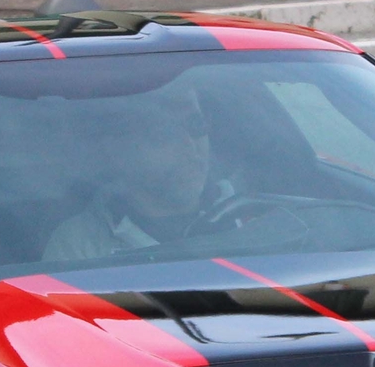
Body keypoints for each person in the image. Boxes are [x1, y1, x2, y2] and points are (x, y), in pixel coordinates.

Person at [43, 84, 242, 261]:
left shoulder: (261, 212)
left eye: (196, 125)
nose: (189, 148)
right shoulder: (81, 247)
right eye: (164, 134)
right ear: (119, 151)